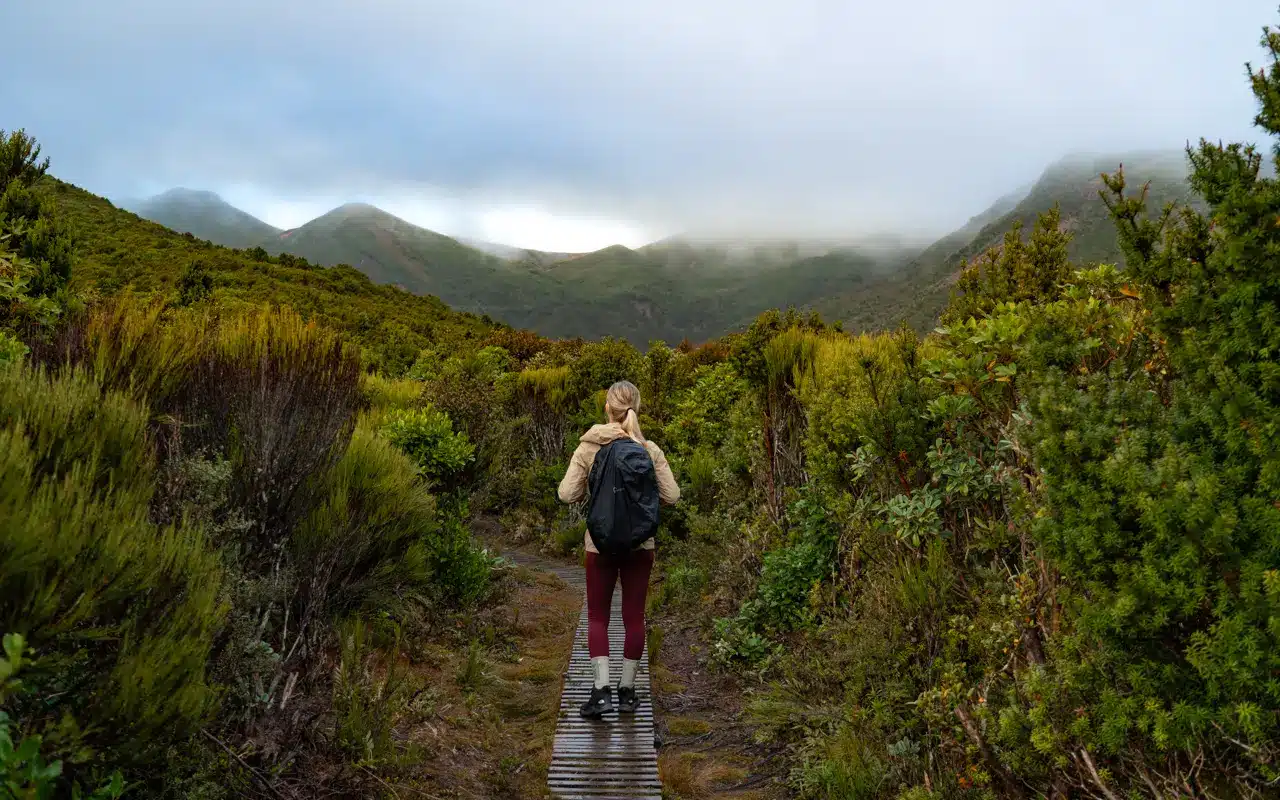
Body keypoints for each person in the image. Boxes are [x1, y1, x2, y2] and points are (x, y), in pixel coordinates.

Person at [557, 380, 679, 718]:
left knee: (597, 616)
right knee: (634, 617)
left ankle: (600, 692)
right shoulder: (649, 449)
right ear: (636, 408)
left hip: (599, 545)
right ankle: (627, 692)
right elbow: (672, 496)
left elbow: (567, 494)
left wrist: (592, 492)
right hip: (641, 545)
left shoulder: (589, 447)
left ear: (606, 408)